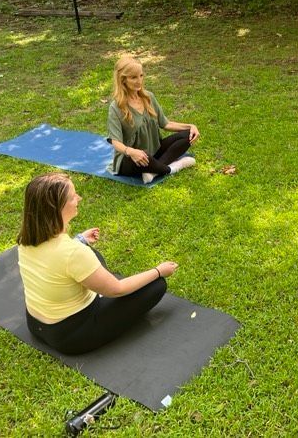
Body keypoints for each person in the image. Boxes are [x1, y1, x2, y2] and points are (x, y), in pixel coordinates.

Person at [17, 173, 178, 355]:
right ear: (57, 207)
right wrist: (158, 271)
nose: (79, 198)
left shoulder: (26, 238)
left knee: (90, 253)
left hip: (35, 324)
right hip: (70, 336)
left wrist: (80, 239)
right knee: (156, 286)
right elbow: (117, 289)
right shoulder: (73, 253)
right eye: (73, 197)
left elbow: (56, 259)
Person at [107, 55, 199, 184]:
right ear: (123, 80)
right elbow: (116, 142)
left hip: (153, 152)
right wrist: (131, 151)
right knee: (141, 156)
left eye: (141, 75)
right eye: (133, 77)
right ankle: (171, 168)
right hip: (130, 160)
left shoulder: (148, 97)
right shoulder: (116, 107)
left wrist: (191, 126)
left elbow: (165, 124)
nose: (139, 81)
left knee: (186, 136)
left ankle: (153, 170)